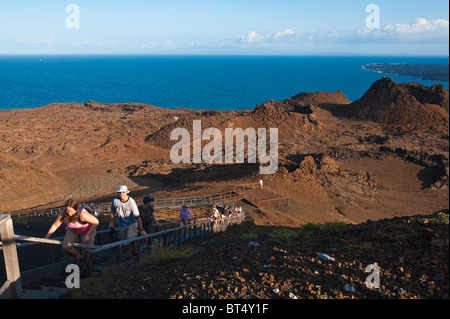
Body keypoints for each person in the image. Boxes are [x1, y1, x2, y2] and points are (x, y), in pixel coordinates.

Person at [44, 198, 99, 265]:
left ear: (76, 209)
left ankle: (86, 265)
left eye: (71, 211)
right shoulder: (63, 213)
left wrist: (87, 235)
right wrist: (47, 237)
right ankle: (79, 258)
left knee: (86, 250)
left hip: (87, 231)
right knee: (65, 247)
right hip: (73, 230)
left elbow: (96, 222)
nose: (69, 213)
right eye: (67, 211)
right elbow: (55, 225)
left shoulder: (83, 214)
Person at [109, 185, 147, 258]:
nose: (121, 194)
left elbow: (137, 216)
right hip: (121, 223)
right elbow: (112, 211)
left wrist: (141, 229)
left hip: (132, 222)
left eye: (123, 192)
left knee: (129, 238)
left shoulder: (131, 202)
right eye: (120, 192)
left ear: (126, 192)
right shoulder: (115, 200)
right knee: (124, 242)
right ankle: (128, 255)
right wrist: (111, 222)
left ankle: (134, 245)